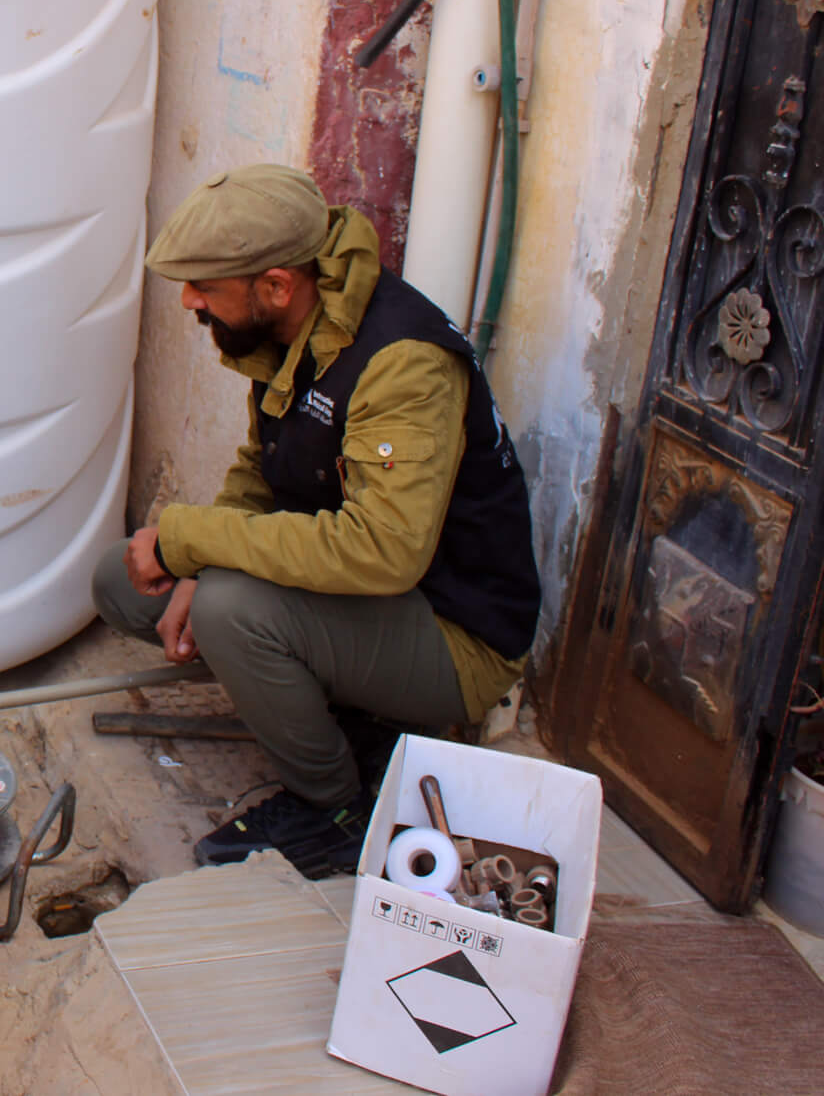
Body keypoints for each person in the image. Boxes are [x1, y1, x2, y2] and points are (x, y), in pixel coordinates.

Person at [92, 163, 539, 878]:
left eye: (205, 286)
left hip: (454, 634)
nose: (188, 302)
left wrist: (193, 547)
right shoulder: (293, 329)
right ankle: (345, 706)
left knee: (232, 610)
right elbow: (260, 472)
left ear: (275, 284)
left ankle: (333, 806)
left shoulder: (402, 362)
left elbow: (384, 551)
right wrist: (190, 563)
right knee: (122, 581)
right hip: (366, 605)